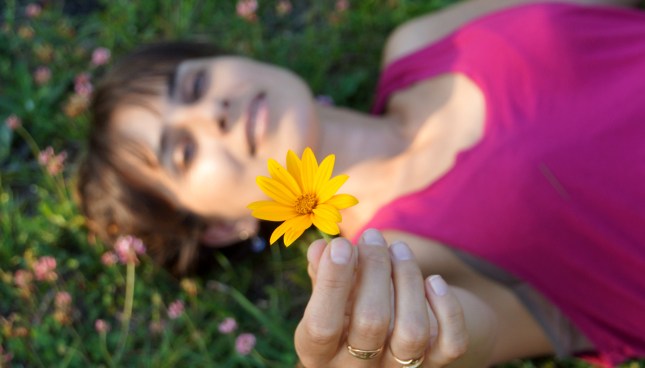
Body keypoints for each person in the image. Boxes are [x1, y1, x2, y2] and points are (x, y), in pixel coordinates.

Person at [77, 0, 645, 366]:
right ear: (224, 227)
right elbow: (476, 329)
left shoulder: (418, 42)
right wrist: (393, 347)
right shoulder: (401, 262)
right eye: (184, 150)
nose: (213, 112)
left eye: (196, 82)